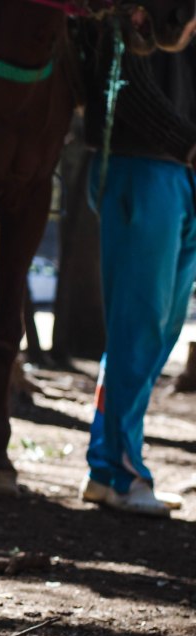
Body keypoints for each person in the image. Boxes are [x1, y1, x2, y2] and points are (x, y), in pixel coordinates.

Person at [78, 26, 196, 517]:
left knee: (163, 328)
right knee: (141, 325)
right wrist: (187, 144)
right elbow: (123, 84)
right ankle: (119, 472)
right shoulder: (134, 14)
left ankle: (112, 469)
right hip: (142, 168)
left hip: (181, 172)